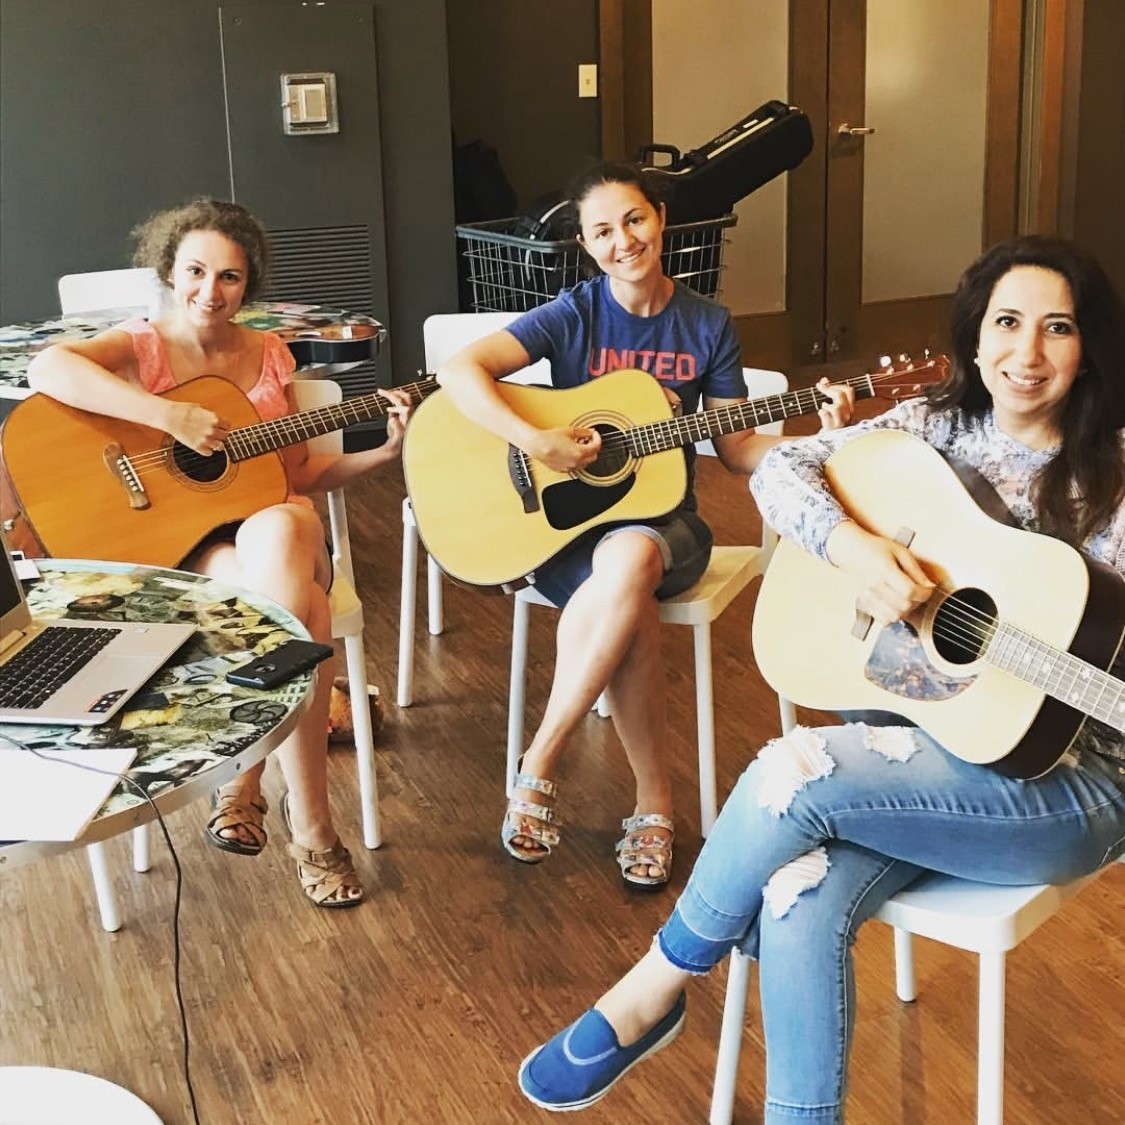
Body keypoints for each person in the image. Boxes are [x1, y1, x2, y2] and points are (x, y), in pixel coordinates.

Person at [514, 234, 1125, 1119]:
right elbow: (785, 467)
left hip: (1066, 788)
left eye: (1056, 328)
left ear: (1089, 343)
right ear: (973, 332)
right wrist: (855, 545)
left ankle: (652, 985)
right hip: (918, 754)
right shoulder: (928, 427)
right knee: (798, 893)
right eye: (1005, 322)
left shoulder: (1114, 476)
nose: (1024, 354)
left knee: (791, 770)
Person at [437, 161, 855, 887]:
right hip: (570, 527)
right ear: (586, 244)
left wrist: (818, 435)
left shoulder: (705, 323)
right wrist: (537, 439)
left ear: (658, 217)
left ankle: (539, 760)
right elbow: (460, 371)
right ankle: (653, 802)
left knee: (630, 559)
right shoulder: (574, 312)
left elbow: (735, 449)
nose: (622, 240)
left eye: (633, 220)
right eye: (602, 231)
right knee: (623, 589)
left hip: (668, 526)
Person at [27, 198, 413, 908]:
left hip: (271, 532)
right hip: (190, 548)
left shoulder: (270, 355)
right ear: (169, 270)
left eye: (230, 278)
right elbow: (48, 368)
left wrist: (384, 451)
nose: (211, 292)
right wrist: (164, 412)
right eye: (197, 271)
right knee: (306, 611)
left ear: (249, 285)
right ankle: (313, 828)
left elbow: (297, 472)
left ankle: (245, 776)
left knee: (288, 525)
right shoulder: (142, 344)